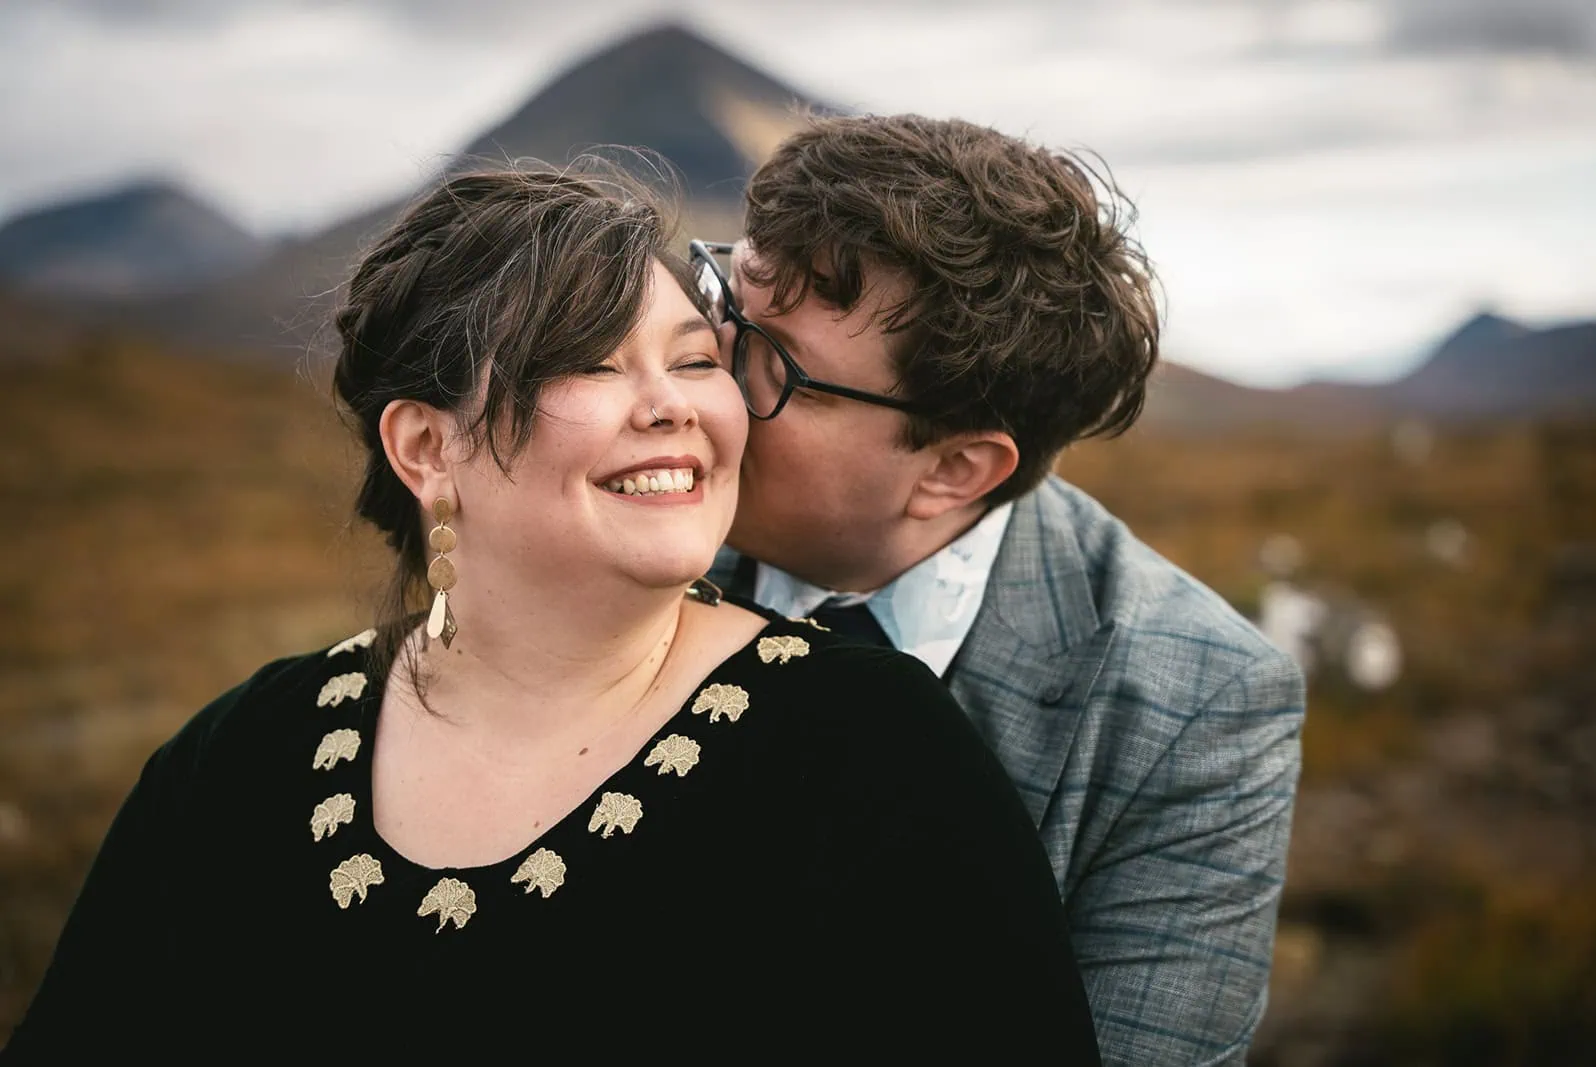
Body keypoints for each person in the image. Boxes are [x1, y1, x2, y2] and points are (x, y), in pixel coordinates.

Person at [4, 167, 1101, 1060]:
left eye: (692, 359)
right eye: (587, 362)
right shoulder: (242, 754)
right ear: (426, 449)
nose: (671, 401)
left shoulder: (873, 751)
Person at [696, 114, 1306, 1067]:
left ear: (955, 468)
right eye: (724, 315)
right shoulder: (628, 533)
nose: (705, 389)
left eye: (781, 371)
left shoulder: (1198, 703)